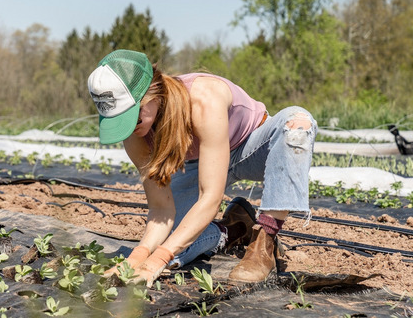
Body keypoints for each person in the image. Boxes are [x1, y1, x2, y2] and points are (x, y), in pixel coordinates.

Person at [87, 49, 317, 287]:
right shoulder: (136, 134)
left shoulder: (202, 99)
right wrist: (139, 257)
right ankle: (233, 229)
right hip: (202, 163)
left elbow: (210, 198)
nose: (130, 128)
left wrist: (158, 259)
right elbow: (161, 209)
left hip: (251, 148)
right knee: (174, 243)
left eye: (132, 117)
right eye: (119, 121)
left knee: (297, 123)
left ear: (152, 93)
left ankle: (264, 241)